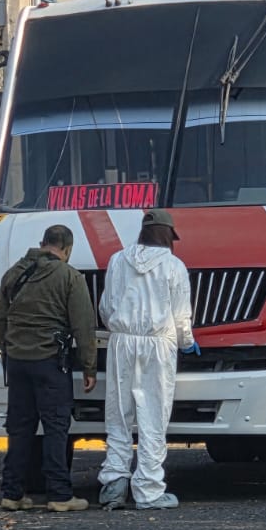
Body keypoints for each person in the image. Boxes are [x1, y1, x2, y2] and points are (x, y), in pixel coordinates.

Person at [97, 209, 197, 511]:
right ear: (168, 235)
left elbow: (106, 307)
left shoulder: (118, 261)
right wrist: (188, 342)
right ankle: (149, 491)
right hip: (158, 344)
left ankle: (114, 485)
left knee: (119, 414)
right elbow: (181, 315)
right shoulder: (174, 266)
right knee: (153, 416)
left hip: (121, 341)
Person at [0, 225, 97, 513]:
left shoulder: (14, 273)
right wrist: (89, 366)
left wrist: (9, 350)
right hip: (50, 361)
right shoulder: (69, 276)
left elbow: (0, 319)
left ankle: (12, 493)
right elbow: (83, 325)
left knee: (20, 427)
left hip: (16, 361)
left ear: (42, 243)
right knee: (55, 427)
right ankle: (59, 495)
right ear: (67, 248)